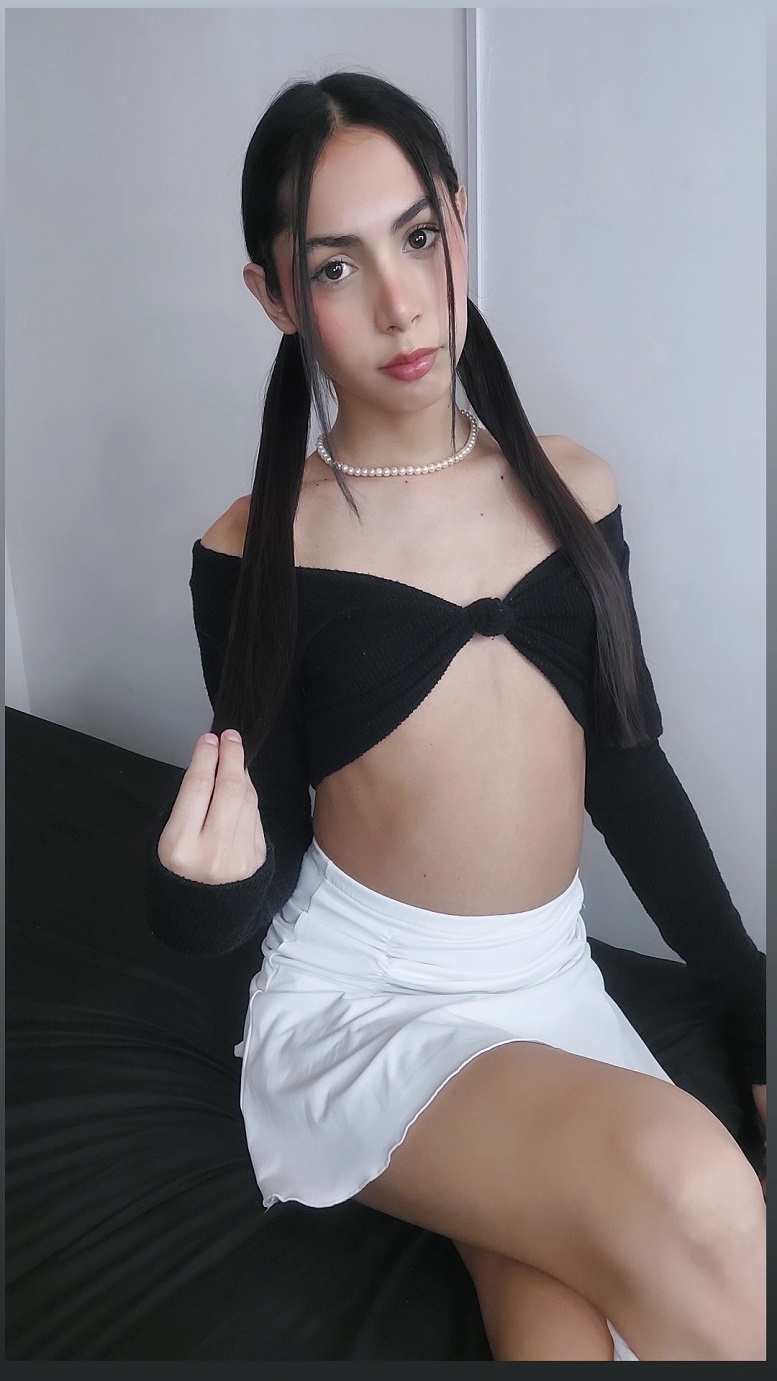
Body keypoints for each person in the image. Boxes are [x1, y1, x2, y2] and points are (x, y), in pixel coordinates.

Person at [145, 71, 766, 1361]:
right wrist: (201, 898)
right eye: (335, 266)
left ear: (460, 225)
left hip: (550, 982)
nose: (400, 301)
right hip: (368, 1005)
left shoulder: (575, 490)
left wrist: (751, 998)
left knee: (570, 1322)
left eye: (418, 236)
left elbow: (629, 770)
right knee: (702, 1190)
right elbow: (257, 837)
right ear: (274, 296)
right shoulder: (257, 548)